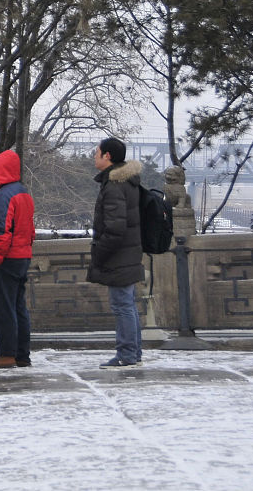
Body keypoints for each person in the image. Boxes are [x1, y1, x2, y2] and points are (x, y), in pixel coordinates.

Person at [89, 136, 145, 368]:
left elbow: (115, 228)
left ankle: (127, 354)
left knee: (122, 305)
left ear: (107, 156)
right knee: (127, 305)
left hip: (119, 256)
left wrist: (99, 253)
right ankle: (133, 353)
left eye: (97, 153)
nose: (94, 157)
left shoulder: (114, 185)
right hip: (129, 252)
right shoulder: (127, 182)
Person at [0, 149, 36, 369]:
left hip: (7, 258)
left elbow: (1, 231)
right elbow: (30, 229)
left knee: (3, 308)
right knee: (19, 307)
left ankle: (6, 354)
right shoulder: (23, 192)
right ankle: (22, 354)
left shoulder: (4, 195)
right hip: (23, 256)